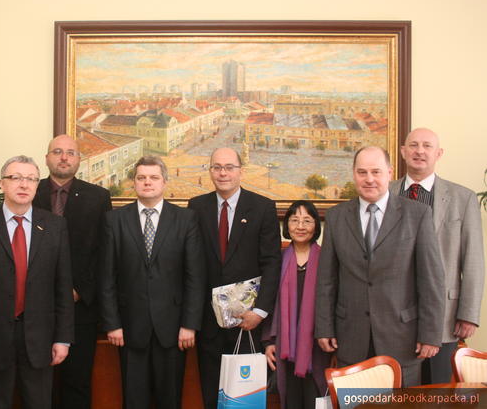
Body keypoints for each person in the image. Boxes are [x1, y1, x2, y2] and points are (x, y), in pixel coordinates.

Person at [315, 146, 445, 387]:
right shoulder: (336, 217)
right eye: (362, 172)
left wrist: (430, 335)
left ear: (389, 172)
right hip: (350, 336)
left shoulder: (417, 214)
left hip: (403, 339)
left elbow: (431, 281)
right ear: (353, 174)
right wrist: (324, 327)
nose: (369, 179)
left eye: (376, 171)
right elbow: (326, 280)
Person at [0, 155, 74, 409]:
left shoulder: (55, 226)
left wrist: (62, 338)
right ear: (2, 183)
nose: (24, 184)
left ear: (37, 185)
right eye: (16, 178)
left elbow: (62, 288)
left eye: (31, 179)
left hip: (40, 339)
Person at [99, 156, 205, 409]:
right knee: (133, 400)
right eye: (141, 178)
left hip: (173, 330)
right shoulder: (114, 220)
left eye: (154, 177)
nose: (147, 182)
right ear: (133, 183)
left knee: (170, 399)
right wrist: (112, 324)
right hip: (129, 329)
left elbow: (195, 277)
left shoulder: (185, 219)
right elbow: (107, 277)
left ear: (165, 182)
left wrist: (189, 325)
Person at [187, 147, 281, 409]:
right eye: (216, 167)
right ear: (210, 171)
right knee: (210, 391)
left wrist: (260, 312)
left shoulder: (262, 207)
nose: (223, 173)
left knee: (245, 397)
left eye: (229, 167)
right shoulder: (196, 207)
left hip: (248, 321)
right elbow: (192, 264)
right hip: (208, 321)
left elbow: (272, 262)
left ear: (241, 170)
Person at [390, 128, 484, 384]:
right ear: (403, 151)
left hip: (445, 315)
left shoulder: (462, 198)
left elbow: (473, 260)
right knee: (398, 393)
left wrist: (468, 313)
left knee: (437, 393)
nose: (420, 151)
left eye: (427, 146)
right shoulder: (385, 193)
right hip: (392, 315)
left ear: (438, 153)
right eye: (414, 145)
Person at [33, 134, 112, 409]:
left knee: (76, 383)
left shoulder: (98, 197)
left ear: (79, 159)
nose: (64, 157)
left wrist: (79, 290)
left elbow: (104, 253)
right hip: (34, 308)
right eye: (57, 151)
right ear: (47, 158)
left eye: (70, 152)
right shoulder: (29, 191)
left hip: (81, 308)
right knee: (37, 385)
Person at [263, 200, 330, 409]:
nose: (300, 226)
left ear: (316, 226)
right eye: (294, 220)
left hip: (319, 345)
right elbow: (268, 301)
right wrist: (268, 342)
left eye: (307, 221)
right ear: (287, 225)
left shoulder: (327, 259)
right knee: (289, 400)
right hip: (285, 345)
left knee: (316, 398)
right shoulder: (278, 259)